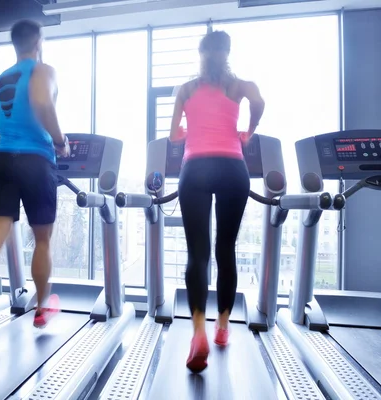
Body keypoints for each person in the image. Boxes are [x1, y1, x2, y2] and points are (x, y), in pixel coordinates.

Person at [169, 31, 265, 372]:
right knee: (226, 248)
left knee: (198, 252)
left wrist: (189, 129)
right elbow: (260, 102)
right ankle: (222, 327)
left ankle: (198, 332)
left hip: (194, 168)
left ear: (200, 54)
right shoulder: (239, 86)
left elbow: (173, 135)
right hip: (232, 168)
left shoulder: (185, 89)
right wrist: (248, 131)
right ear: (227, 53)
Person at [0, 19, 70, 330]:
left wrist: (11, 126)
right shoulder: (43, 71)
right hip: (36, 160)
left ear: (14, 44)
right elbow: (42, 102)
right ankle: (41, 307)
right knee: (42, 240)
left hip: (2, 161)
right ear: (37, 42)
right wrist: (60, 141)